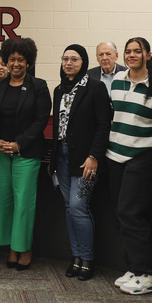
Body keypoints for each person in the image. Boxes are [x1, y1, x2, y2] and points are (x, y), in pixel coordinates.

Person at [106, 37, 152, 295]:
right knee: (121, 214)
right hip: (115, 155)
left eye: (137, 51)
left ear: (148, 55)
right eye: (128, 51)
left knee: (131, 214)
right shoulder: (119, 80)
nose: (132, 55)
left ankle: (148, 273)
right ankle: (134, 268)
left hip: (143, 155)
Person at [0, 38, 51, 271]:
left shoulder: (39, 86)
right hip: (1, 153)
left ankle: (24, 248)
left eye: (20, 60)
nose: (15, 64)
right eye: (12, 59)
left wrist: (18, 144)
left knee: (23, 203)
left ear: (29, 61)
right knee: (4, 201)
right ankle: (11, 247)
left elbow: (40, 120)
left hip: (26, 153)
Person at [51, 44, 112, 281]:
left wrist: (94, 157)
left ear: (83, 62)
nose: (68, 63)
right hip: (63, 157)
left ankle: (87, 258)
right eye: (65, 58)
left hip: (86, 160)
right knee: (68, 206)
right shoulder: (59, 89)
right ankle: (75, 256)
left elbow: (103, 124)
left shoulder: (95, 88)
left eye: (74, 59)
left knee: (79, 206)